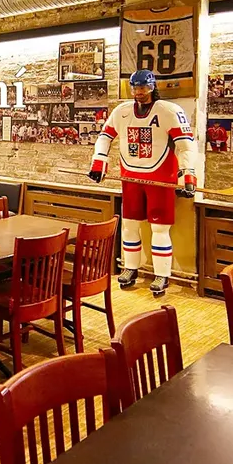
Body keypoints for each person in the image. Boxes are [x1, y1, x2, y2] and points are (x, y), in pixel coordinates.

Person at [89, 70, 196, 297]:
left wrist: (189, 174)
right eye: (135, 88)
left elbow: (186, 145)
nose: (139, 92)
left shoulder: (169, 111)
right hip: (131, 178)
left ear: (152, 87)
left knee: (160, 228)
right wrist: (99, 161)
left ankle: (162, 274)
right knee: (129, 225)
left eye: (143, 87)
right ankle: (130, 268)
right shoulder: (122, 111)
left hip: (160, 178)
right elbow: (105, 136)